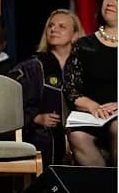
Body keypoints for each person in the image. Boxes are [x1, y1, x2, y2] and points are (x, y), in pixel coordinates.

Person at [11, 9, 84, 167]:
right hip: (43, 135)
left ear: (75, 35)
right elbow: (10, 102)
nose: (53, 29)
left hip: (81, 133)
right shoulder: (31, 68)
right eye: (51, 25)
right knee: (41, 139)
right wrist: (35, 118)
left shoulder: (85, 67)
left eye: (62, 26)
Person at [63, 0, 118, 167]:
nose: (111, 2)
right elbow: (70, 88)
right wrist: (94, 106)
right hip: (91, 115)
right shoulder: (83, 46)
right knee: (77, 135)